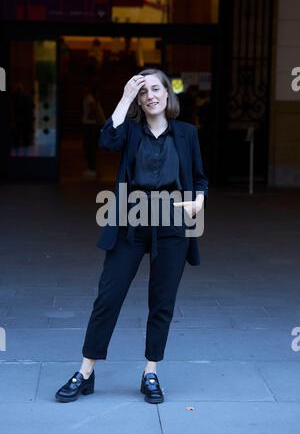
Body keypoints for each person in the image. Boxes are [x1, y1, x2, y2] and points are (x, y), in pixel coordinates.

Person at [55, 69, 208, 404]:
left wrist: (198, 200)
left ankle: (150, 371)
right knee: (108, 296)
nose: (150, 95)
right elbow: (107, 140)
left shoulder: (186, 134)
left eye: (156, 89)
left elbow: (200, 179)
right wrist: (125, 96)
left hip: (172, 224)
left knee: (162, 302)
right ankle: (85, 370)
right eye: (143, 92)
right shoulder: (132, 133)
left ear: (168, 94)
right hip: (131, 221)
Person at [81, 84, 105, 180]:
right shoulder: (92, 98)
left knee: (89, 147)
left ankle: (92, 170)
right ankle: (92, 169)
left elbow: (93, 109)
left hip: (89, 125)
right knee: (91, 148)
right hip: (92, 125)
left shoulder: (89, 98)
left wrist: (89, 117)